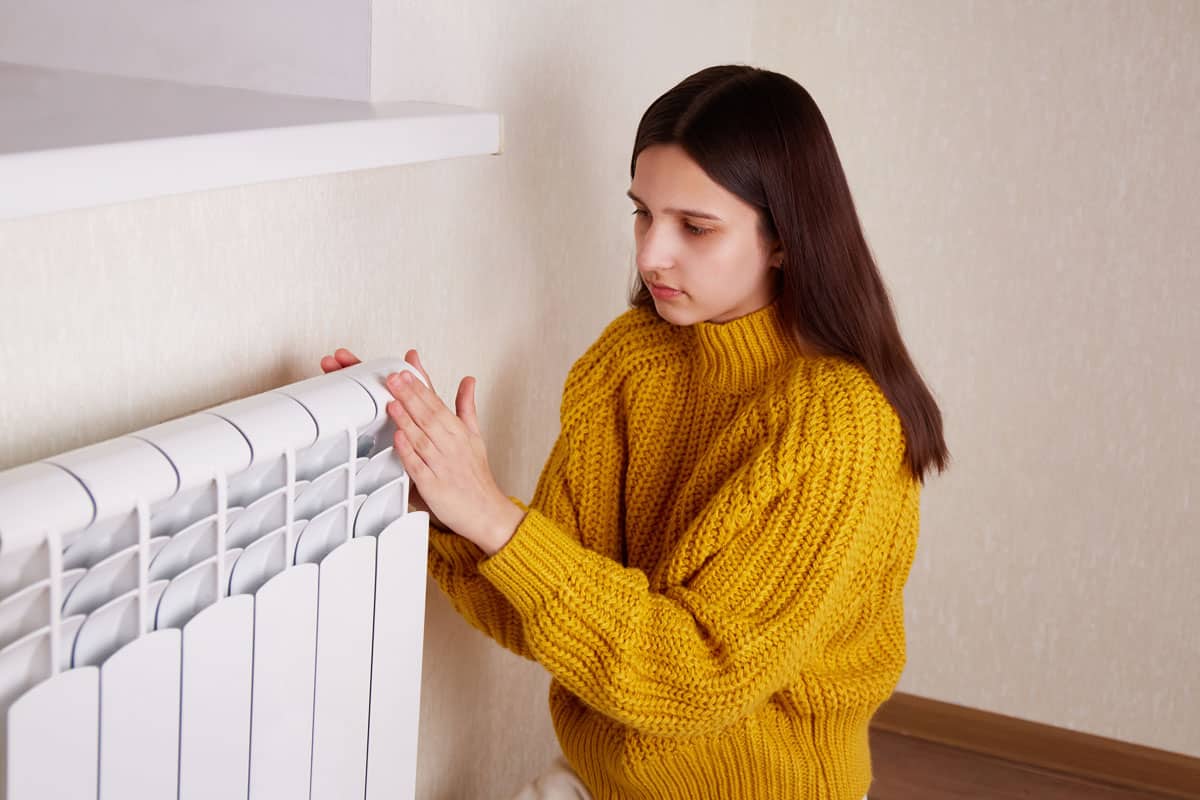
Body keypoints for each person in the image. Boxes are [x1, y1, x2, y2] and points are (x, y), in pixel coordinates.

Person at [321, 64, 948, 800]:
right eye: (643, 214)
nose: (651, 253)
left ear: (784, 239)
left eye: (694, 226)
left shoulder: (839, 425)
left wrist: (494, 514)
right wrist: (446, 508)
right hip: (602, 778)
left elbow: (694, 679)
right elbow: (540, 619)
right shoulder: (631, 359)